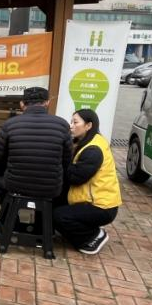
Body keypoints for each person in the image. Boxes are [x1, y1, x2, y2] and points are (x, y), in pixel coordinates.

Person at [0, 86, 73, 237]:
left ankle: (13, 223)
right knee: (59, 187)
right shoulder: (62, 125)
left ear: (22, 104)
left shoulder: (9, 125)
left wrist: (2, 173)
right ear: (47, 103)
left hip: (16, 185)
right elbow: (67, 160)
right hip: (50, 188)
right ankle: (42, 228)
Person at [53, 109, 121, 254]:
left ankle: (92, 237)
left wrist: (61, 162)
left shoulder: (93, 150)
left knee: (59, 216)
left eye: (75, 122)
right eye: (71, 122)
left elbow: (75, 178)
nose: (71, 126)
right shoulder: (88, 141)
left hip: (101, 207)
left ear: (88, 125)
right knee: (53, 201)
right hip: (89, 200)